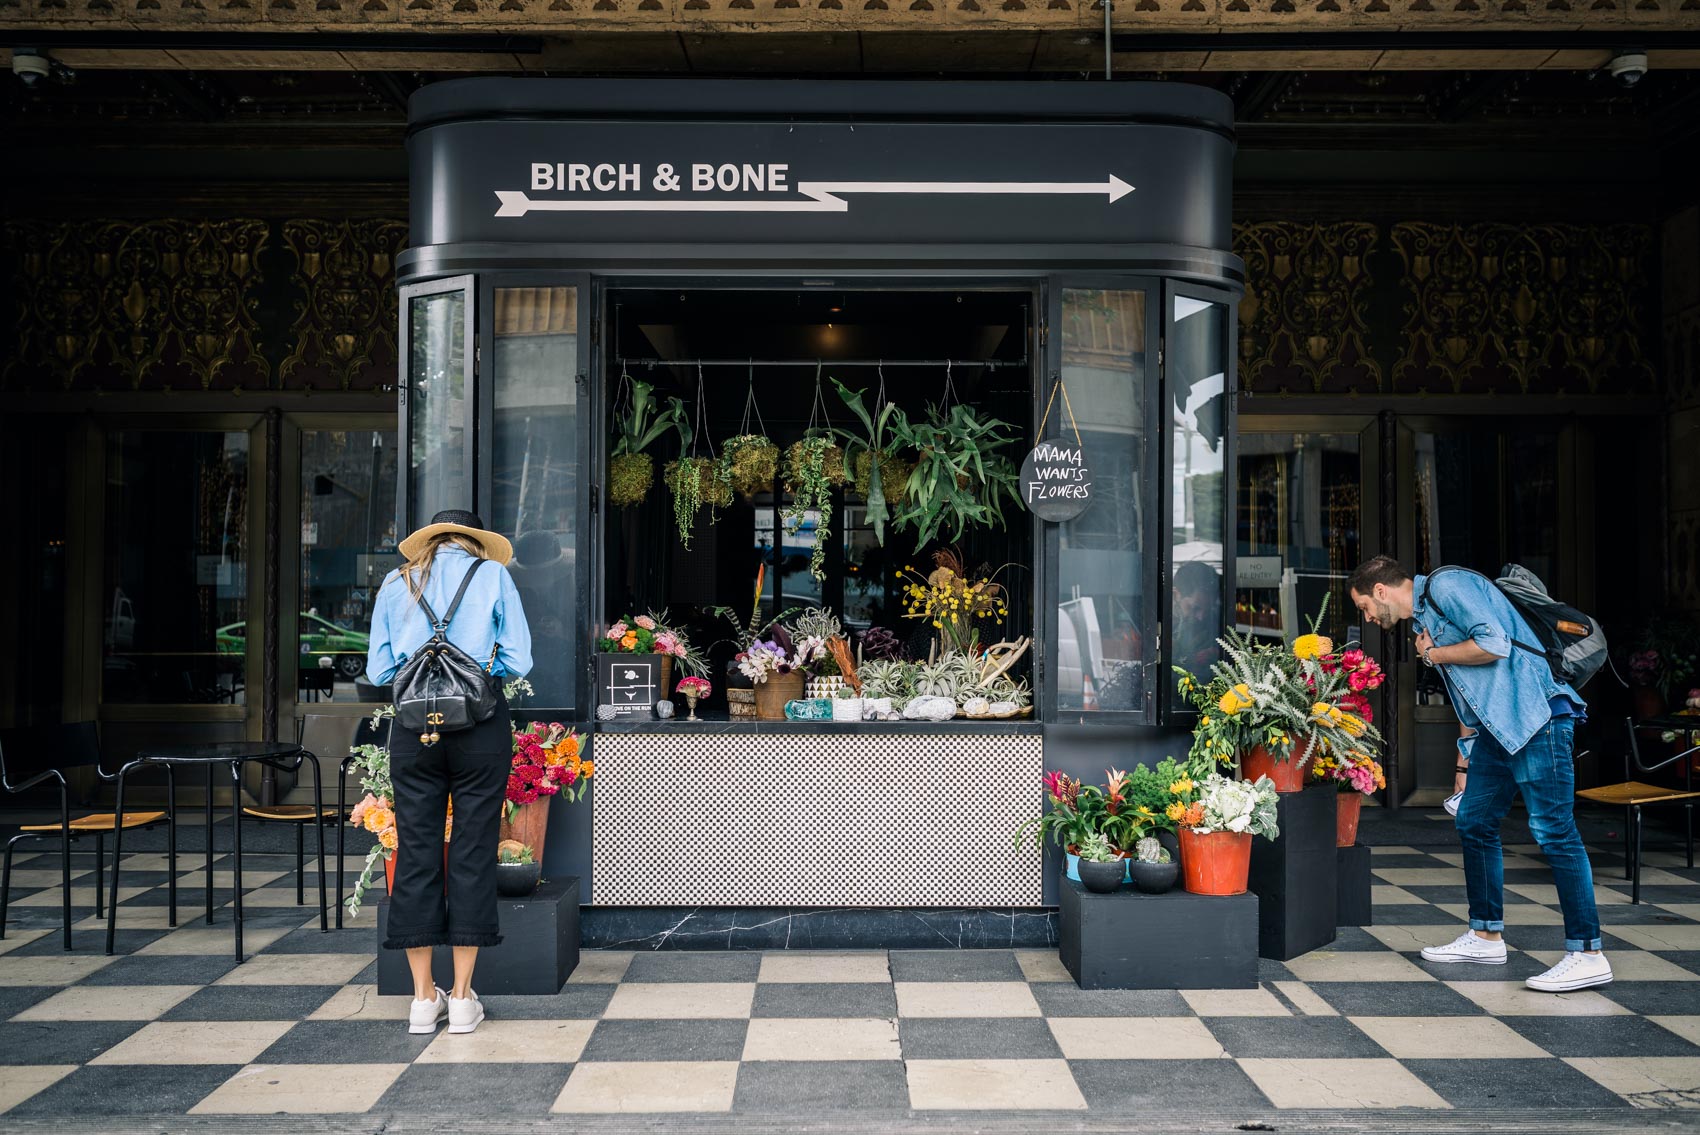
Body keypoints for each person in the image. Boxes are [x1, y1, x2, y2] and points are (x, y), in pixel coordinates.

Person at [1348, 555, 1609, 992]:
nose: (1369, 618)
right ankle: (1486, 936)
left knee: (1554, 831)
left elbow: (1494, 645)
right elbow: (1471, 694)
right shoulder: (1424, 621)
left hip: (1536, 717)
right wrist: (1463, 761)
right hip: (1496, 732)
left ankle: (1587, 953)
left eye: (1364, 608)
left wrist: (1433, 654)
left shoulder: (1448, 586)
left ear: (1380, 591)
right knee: (1474, 821)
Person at [367, 509, 533, 1034]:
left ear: (430, 543)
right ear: (474, 542)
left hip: (415, 730)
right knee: (473, 849)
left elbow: (380, 670)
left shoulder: (396, 583)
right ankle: (462, 999)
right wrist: (481, 675)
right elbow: (519, 660)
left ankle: (421, 1000)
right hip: (479, 727)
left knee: (415, 851)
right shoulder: (493, 576)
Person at [1172, 560, 1222, 682]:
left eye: (1207, 610)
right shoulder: (1158, 623)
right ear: (1175, 595)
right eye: (1195, 608)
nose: (1201, 617)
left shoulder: (1214, 623)